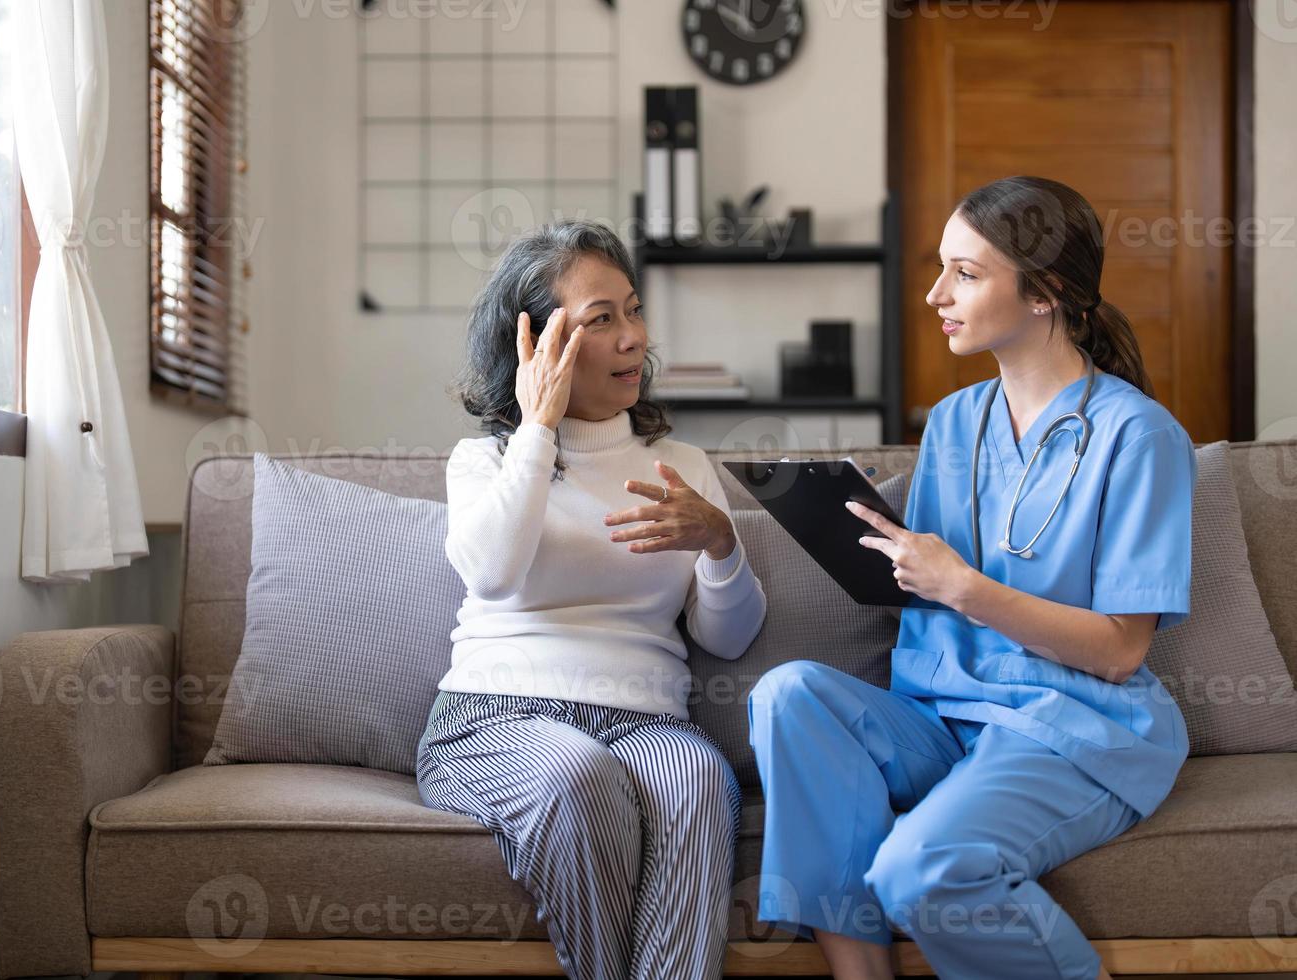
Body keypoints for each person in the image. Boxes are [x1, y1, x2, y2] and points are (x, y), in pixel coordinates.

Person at [748, 176, 1196, 980]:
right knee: (789, 694)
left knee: (919, 867)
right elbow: (923, 571)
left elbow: (1121, 653)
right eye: (941, 269)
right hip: (941, 716)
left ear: (1045, 293)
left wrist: (964, 588)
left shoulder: (1139, 437)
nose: (934, 294)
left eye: (966, 273)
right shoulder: (954, 420)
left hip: (1070, 724)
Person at [417, 219, 768, 980]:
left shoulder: (682, 464)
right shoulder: (485, 461)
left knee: (702, 780)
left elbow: (730, 639)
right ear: (536, 344)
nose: (633, 338)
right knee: (577, 778)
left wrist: (720, 544)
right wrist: (539, 427)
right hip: (495, 719)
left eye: (633, 311)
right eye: (600, 320)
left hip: (647, 719)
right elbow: (493, 574)